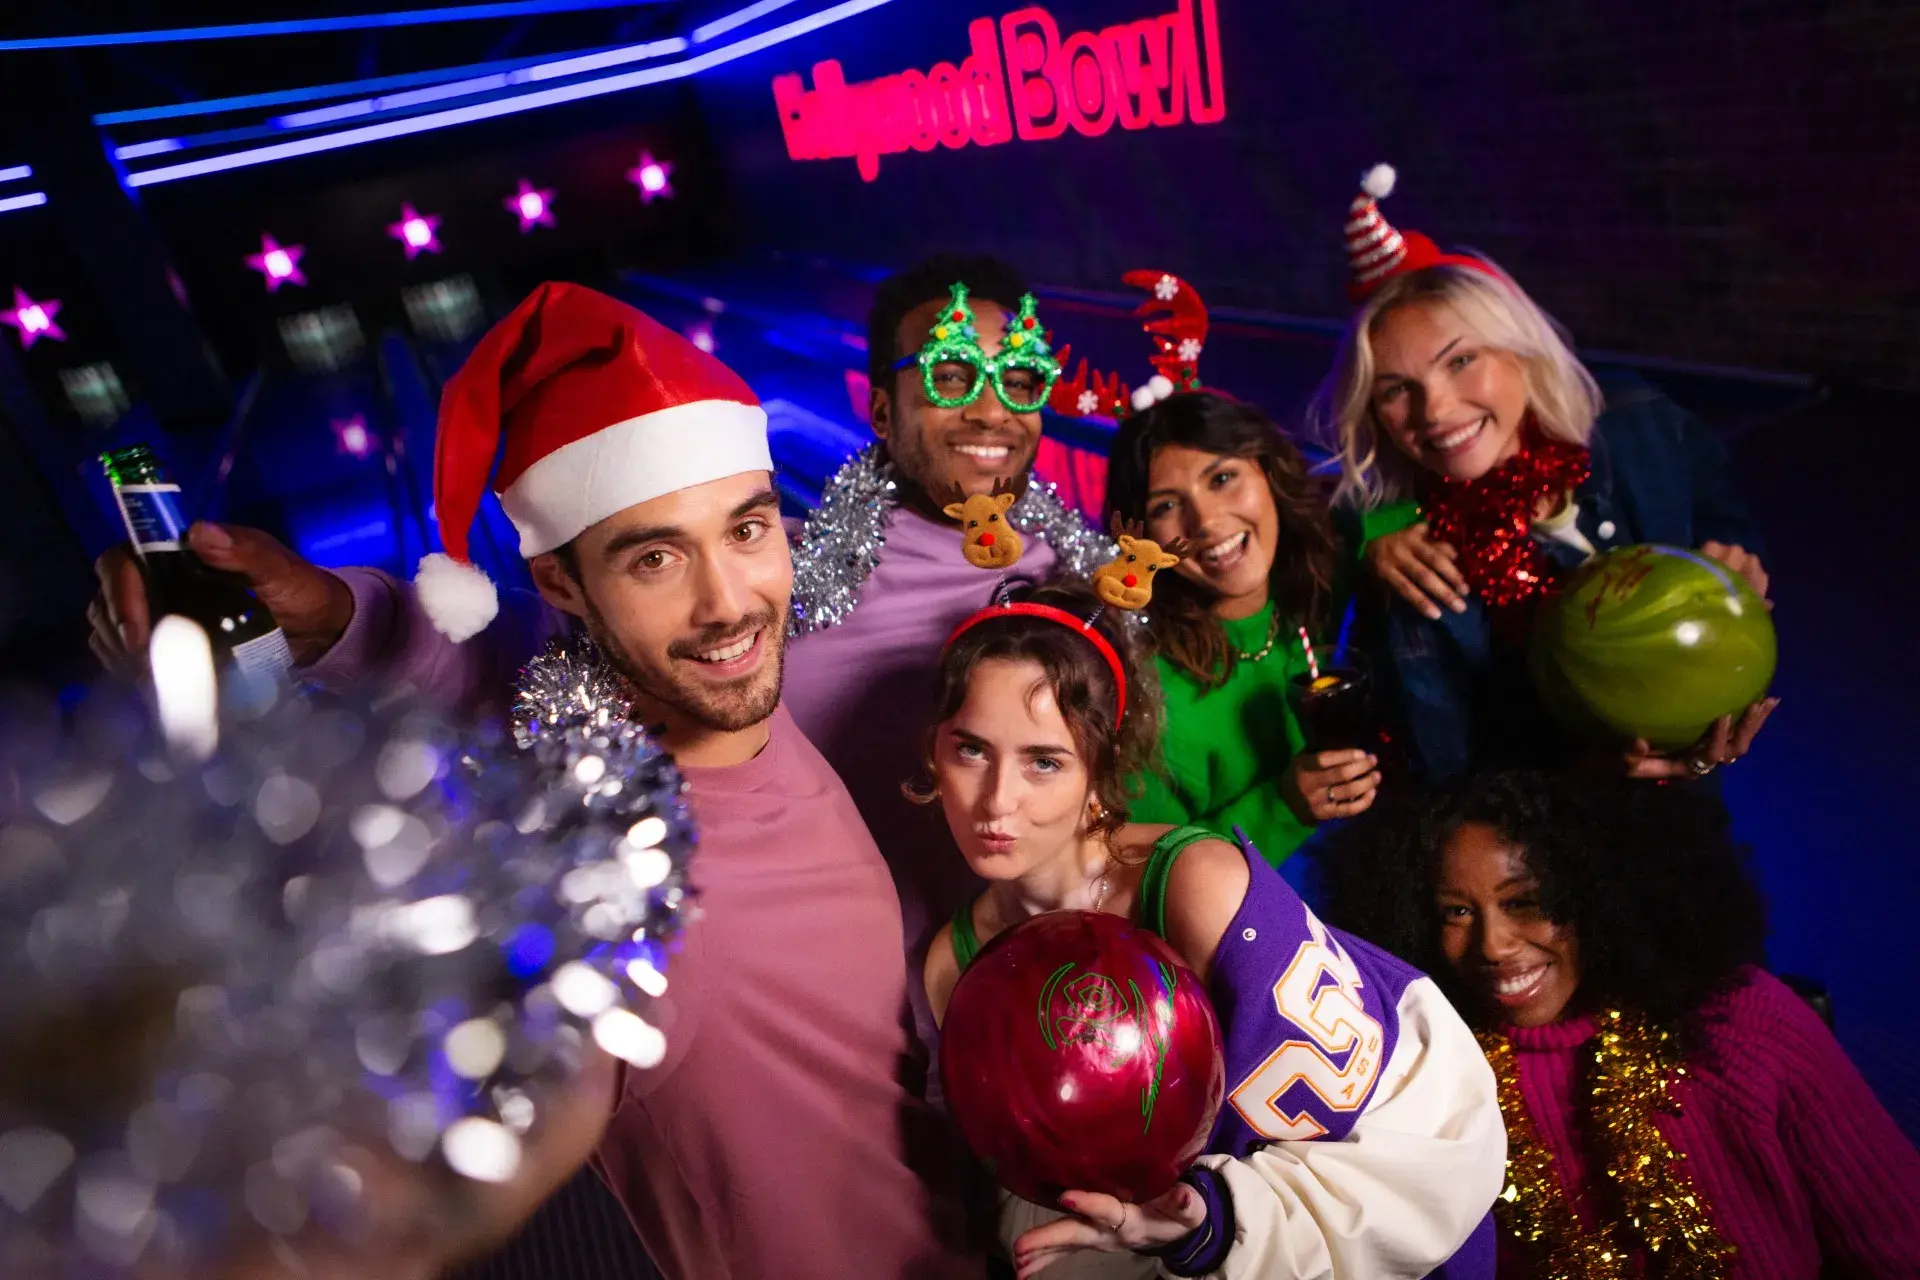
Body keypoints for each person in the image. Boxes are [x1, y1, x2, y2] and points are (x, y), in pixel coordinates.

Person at [114, 282, 980, 1280]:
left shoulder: (674, 677)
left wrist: (332, 616)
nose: (729, 602)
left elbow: (496, 650)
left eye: (746, 528)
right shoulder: (622, 889)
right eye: (654, 557)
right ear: (562, 580)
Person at [89, 255, 1110, 969]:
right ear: (881, 410)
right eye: (947, 376)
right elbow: (534, 662)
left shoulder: (1099, 575)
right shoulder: (771, 573)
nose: (987, 407)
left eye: (1016, 377)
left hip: (1063, 974)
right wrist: (332, 619)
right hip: (868, 989)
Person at [913, 575, 1505, 1280]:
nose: (996, 801)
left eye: (1045, 761)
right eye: (971, 750)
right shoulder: (955, 964)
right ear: (934, 751)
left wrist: (1212, 1224)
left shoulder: (1199, 885)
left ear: (1100, 769)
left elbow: (1400, 1135)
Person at [1315, 770, 1920, 1277]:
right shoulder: (1429, 1082)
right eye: (1456, 911)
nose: (1493, 945)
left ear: (1591, 891)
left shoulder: (1742, 1021)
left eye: (1524, 900)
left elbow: (1900, 1243)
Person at [1309, 166, 1776, 784]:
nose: (1438, 412)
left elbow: (1721, 514)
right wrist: (1367, 550)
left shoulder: (1645, 429)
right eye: (1398, 390)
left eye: (1463, 361)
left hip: (1672, 823)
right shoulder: (1409, 557)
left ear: (1522, 351)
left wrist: (1734, 570)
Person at [1103, 380, 1379, 866]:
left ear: (1268, 472)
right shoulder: (1149, 699)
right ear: (1141, 540)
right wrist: (1281, 806)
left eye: (1222, 478)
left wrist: (1388, 534)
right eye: (1166, 506)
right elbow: (1143, 866)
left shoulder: (1315, 578)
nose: (1205, 521)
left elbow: (1384, 506)